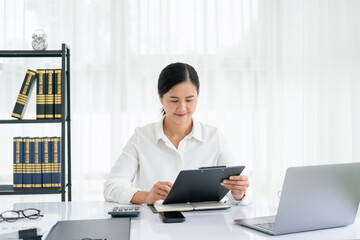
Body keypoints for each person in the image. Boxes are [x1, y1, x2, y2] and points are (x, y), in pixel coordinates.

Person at [104, 62, 251, 205]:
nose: (182, 108)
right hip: (154, 225)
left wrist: (238, 194)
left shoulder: (214, 136)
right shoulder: (141, 137)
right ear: (160, 97)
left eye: (189, 99)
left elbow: (241, 190)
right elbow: (112, 187)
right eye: (174, 100)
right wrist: (146, 196)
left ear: (198, 95)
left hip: (204, 224)